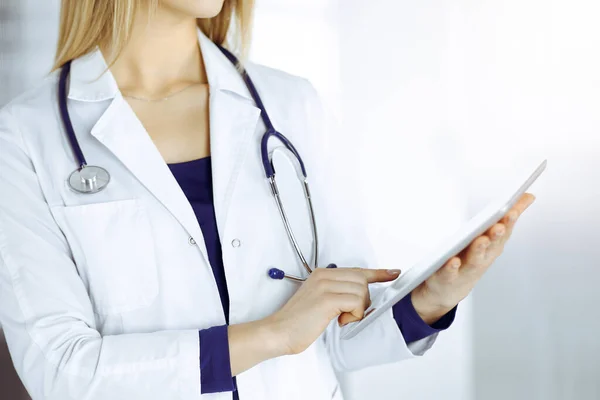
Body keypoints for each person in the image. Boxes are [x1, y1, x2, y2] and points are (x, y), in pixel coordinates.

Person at [0, 0, 536, 399]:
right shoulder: (25, 139)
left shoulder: (290, 107)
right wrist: (273, 334)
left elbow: (339, 339)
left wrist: (430, 301)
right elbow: (63, 373)